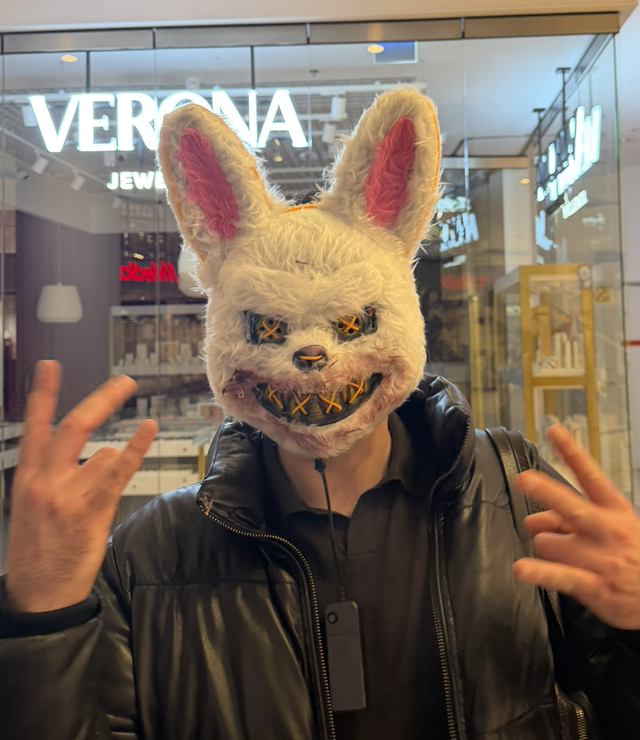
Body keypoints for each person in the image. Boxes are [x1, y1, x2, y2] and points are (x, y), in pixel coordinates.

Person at [1, 89, 640, 740]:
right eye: (269, 327)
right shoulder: (153, 556)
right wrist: (43, 625)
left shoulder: (516, 495)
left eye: (352, 324)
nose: (312, 357)